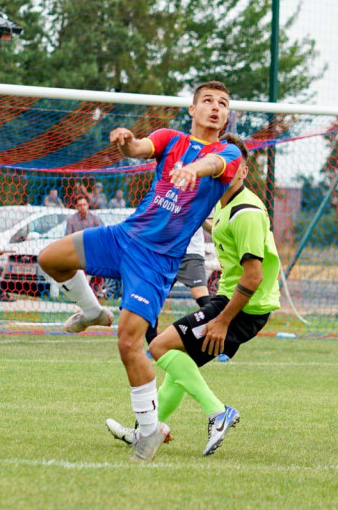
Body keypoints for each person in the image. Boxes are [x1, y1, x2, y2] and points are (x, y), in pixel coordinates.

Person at [38, 80, 242, 462]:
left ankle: (148, 432)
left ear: (227, 115)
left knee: (129, 342)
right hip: (124, 237)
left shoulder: (228, 153)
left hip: (157, 260)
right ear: (192, 109)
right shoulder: (170, 137)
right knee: (50, 258)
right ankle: (94, 310)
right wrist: (125, 141)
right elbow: (139, 148)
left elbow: (213, 165)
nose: (216, 107)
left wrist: (193, 171)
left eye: (224, 103)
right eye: (209, 101)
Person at [106, 135, 278, 457]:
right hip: (232, 301)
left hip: (242, 307)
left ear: (242, 171)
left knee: (158, 346)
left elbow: (253, 276)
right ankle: (147, 432)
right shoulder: (225, 206)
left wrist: (223, 321)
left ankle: (218, 412)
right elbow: (220, 228)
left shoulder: (247, 212)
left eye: (232, 164)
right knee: (178, 364)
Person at [145, 225, 211, 344]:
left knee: (201, 296)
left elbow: (213, 227)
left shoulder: (203, 206)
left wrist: (200, 216)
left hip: (191, 254)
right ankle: (152, 343)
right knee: (150, 298)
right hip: (165, 253)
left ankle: (221, 342)